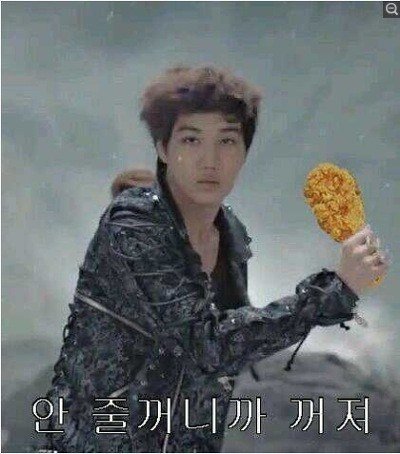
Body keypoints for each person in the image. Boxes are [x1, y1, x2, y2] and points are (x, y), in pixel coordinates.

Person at [38, 64, 390, 453]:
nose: (210, 160)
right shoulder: (132, 224)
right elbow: (206, 345)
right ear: (163, 149)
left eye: (226, 141)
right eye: (191, 140)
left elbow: (232, 346)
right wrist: (334, 291)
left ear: (244, 153)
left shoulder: (230, 233)